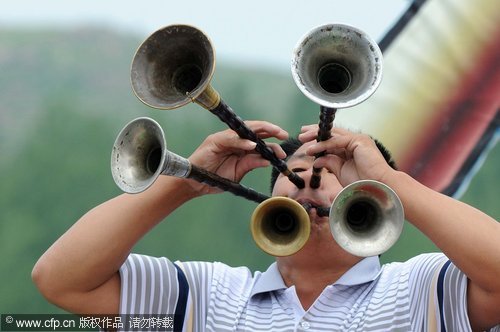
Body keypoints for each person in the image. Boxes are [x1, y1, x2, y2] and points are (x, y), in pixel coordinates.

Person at [32, 121, 500, 331]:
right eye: (291, 174)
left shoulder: (418, 291)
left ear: (373, 202)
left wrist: (391, 181)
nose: (308, 184)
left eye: (333, 174)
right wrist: (185, 182)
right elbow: (62, 281)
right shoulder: (205, 299)